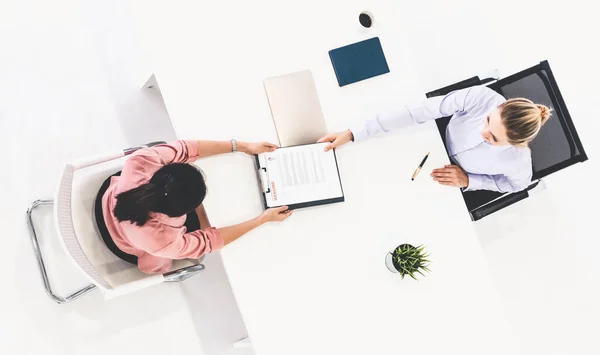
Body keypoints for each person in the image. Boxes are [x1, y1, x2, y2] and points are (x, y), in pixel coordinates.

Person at [99, 140, 292, 274]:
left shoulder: (140, 162)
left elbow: (186, 148)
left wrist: (242, 146)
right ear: (183, 213)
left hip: (111, 200)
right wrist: (262, 219)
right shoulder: (163, 240)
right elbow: (209, 241)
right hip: (125, 243)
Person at [318, 85, 552, 193]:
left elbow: (517, 185)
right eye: (488, 121)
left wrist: (471, 181)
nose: (483, 133)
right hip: (429, 141)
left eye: (493, 139)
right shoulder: (482, 98)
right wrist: (354, 133)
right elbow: (419, 111)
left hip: (444, 179)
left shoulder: (518, 160)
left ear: (514, 144)